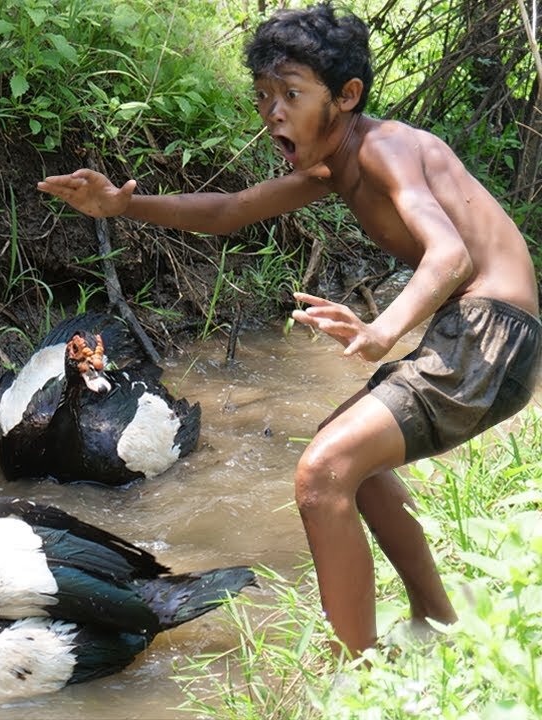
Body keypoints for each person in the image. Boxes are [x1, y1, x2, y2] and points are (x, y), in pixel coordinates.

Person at [37, 2, 540, 657]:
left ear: (348, 96)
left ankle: (355, 670)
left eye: (292, 95)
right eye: (264, 96)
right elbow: (228, 211)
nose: (273, 111)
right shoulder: (335, 164)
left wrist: (382, 330)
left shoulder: (385, 147)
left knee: (321, 473)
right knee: (350, 466)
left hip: (489, 336)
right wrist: (124, 204)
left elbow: (451, 255)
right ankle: (435, 624)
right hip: (478, 333)